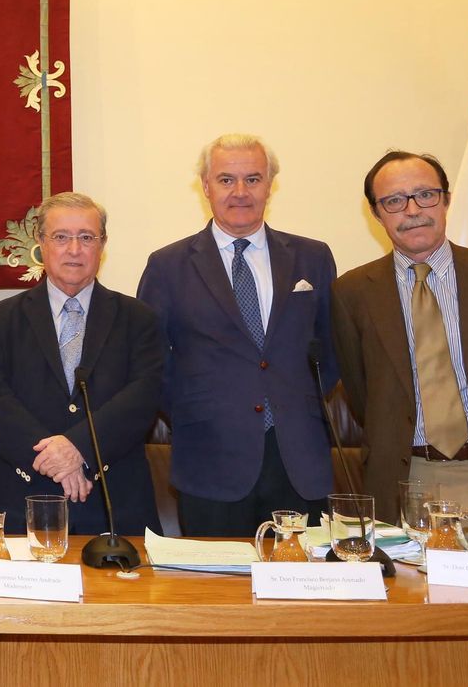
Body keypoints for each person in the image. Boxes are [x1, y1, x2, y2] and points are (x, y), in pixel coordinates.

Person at [332, 150, 468, 554]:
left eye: (425, 195)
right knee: (410, 612)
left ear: (446, 199)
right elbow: (362, 393)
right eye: (394, 201)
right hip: (404, 480)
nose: (412, 210)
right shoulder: (352, 293)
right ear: (377, 214)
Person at [137, 134, 339, 535]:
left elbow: (332, 351)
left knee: (302, 591)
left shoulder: (312, 258)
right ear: (206, 186)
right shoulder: (168, 266)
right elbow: (150, 362)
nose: (241, 192)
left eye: (253, 179)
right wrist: (199, 412)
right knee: (215, 591)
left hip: (298, 460)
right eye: (227, 180)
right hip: (210, 459)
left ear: (270, 185)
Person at [0, 192, 163, 536]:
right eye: (61, 237)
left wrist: (79, 448)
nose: (74, 249)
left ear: (102, 245)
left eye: (86, 237)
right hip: (25, 497)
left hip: (114, 500)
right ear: (41, 244)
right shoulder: (1, 319)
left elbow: (143, 398)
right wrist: (57, 461)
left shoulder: (138, 318)